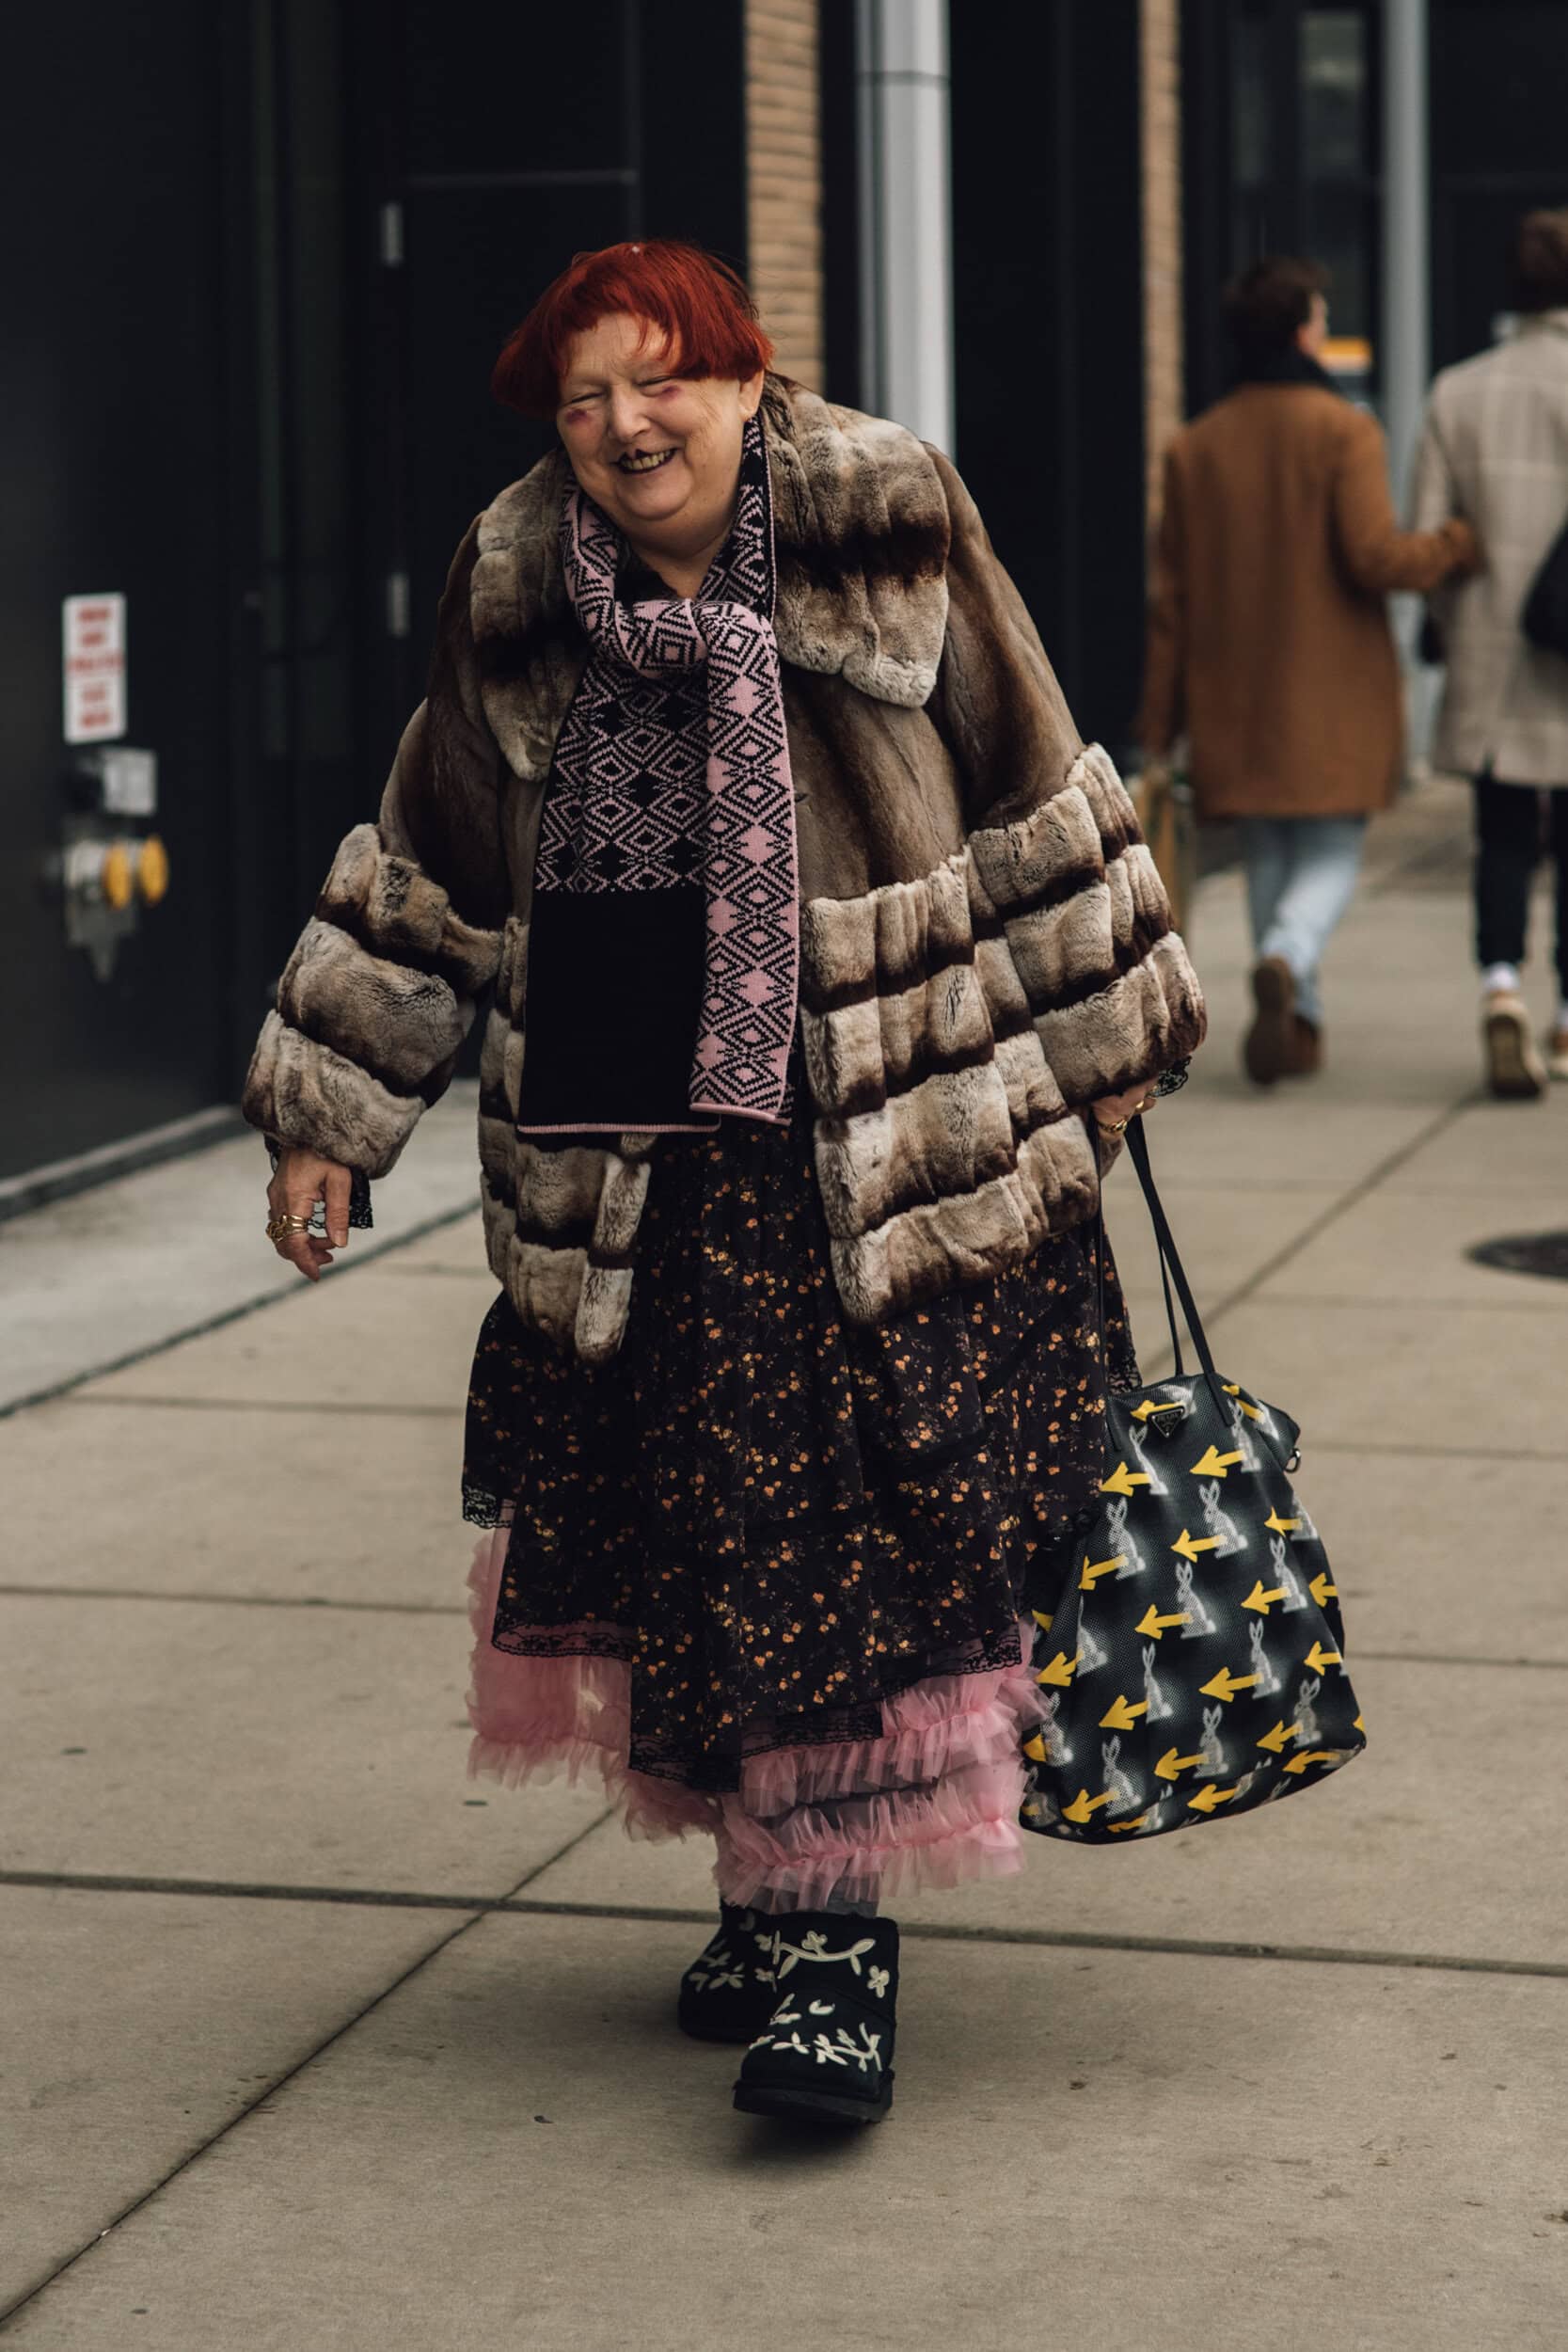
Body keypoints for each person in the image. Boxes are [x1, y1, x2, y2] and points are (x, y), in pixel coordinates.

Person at [244, 240, 1204, 2128]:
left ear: (741, 378)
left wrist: (1108, 1054)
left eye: (657, 378)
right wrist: (327, 1120)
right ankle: (773, 1892)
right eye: (582, 396)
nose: (622, 424)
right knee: (708, 1545)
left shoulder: (886, 517)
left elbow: (1027, 783)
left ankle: (828, 1937)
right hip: (633, 1168)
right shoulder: (515, 577)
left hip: (875, 1148)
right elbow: (433, 862)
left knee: (844, 1547)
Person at [1139, 257, 1480, 1086]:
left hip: (1230, 691)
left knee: (1265, 852)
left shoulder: (1194, 447)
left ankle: (1298, 1023)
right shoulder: (1342, 429)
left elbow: (1169, 601)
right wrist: (1454, 544)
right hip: (1329, 689)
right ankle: (1289, 956)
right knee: (1329, 848)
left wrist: (1157, 724)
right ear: (1302, 331)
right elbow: (1372, 556)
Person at [1410, 209, 1568, 1099]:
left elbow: (1431, 539)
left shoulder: (1457, 391)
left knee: (1502, 837)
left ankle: (1502, 985)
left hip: (1491, 651)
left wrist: (1450, 613)